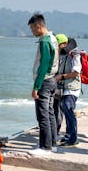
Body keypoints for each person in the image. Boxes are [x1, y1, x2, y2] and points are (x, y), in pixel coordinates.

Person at [27, 13, 59, 156]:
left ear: (38, 26)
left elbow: (44, 65)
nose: (32, 32)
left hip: (45, 81)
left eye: (32, 29)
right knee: (50, 113)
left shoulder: (45, 41)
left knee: (42, 115)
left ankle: (45, 147)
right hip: (52, 80)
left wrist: (36, 87)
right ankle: (52, 144)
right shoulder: (53, 38)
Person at [55, 35, 82, 147]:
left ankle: (73, 139)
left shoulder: (74, 54)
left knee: (68, 110)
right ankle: (68, 136)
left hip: (72, 87)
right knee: (66, 111)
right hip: (64, 87)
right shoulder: (61, 54)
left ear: (64, 44)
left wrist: (61, 77)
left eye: (57, 44)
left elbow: (76, 72)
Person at [53, 34, 67, 136]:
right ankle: (56, 130)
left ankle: (55, 131)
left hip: (58, 86)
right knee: (59, 111)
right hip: (63, 86)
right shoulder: (66, 56)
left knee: (55, 110)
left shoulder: (57, 55)